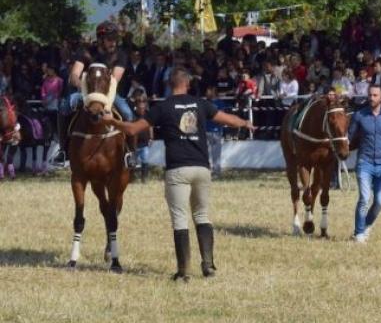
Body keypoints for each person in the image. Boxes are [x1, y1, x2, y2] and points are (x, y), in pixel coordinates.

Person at [100, 66, 256, 281]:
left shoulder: (163, 107)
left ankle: (184, 272)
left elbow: (133, 129)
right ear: (188, 84)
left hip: (177, 169)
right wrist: (245, 122)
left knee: (180, 219)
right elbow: (227, 119)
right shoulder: (200, 103)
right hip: (202, 168)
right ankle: (208, 266)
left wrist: (111, 122)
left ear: (169, 84)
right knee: (202, 215)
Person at [60, 21, 137, 166]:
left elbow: (115, 78)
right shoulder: (85, 52)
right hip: (85, 92)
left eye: (115, 39)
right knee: (64, 106)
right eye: (110, 39)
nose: (113, 42)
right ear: (100, 39)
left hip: (109, 94)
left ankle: (131, 153)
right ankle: (63, 150)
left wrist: (99, 95)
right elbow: (74, 75)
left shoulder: (121, 55)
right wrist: (82, 87)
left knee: (128, 113)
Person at [347, 84, 381, 243]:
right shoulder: (359, 116)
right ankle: (359, 234)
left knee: (379, 202)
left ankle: (366, 225)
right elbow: (348, 138)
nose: (371, 98)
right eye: (370, 95)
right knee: (364, 199)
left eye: (375, 95)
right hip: (364, 164)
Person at [132, 95, 153, 183]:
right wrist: (133, 144)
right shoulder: (133, 115)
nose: (142, 108)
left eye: (143, 105)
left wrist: (151, 138)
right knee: (133, 163)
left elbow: (150, 126)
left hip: (145, 143)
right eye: (140, 105)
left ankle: (144, 179)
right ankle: (132, 179)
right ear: (136, 105)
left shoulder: (148, 114)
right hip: (135, 144)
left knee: (145, 160)